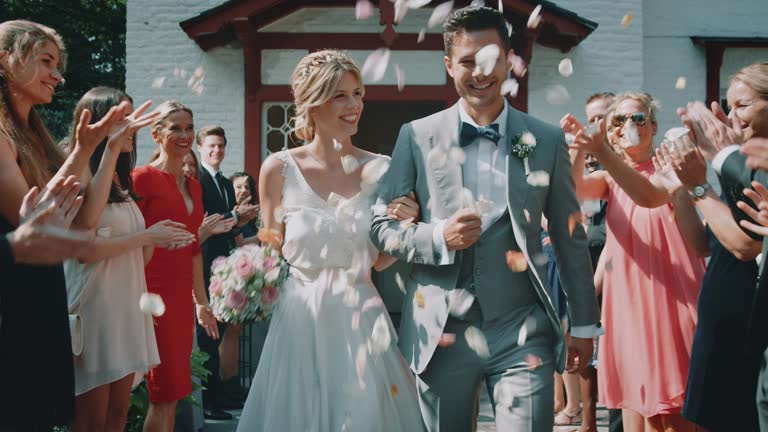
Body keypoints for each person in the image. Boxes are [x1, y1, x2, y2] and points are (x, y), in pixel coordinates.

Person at [370, 6, 601, 432]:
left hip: (521, 330)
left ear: (509, 59)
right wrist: (438, 235)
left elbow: (570, 237)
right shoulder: (415, 136)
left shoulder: (544, 139)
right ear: (448, 65)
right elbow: (381, 228)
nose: (481, 72)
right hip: (440, 332)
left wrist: (584, 324)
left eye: (491, 58)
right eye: (467, 61)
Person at [236, 49, 425, 431]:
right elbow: (270, 250)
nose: (354, 105)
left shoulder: (382, 169)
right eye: (341, 95)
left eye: (358, 94)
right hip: (300, 318)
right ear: (313, 102)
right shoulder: (278, 169)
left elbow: (380, 259)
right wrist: (243, 279)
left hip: (362, 313)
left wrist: (407, 227)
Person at [0, 20, 128, 429]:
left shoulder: (36, 136)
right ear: (5, 60)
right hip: (12, 299)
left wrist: (101, 150)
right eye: (45, 61)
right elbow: (34, 218)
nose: (58, 75)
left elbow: (82, 222)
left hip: (41, 291)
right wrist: (85, 150)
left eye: (58, 64)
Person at [569, 91, 705, 432]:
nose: (628, 125)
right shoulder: (608, 180)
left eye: (638, 118)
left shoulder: (668, 166)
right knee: (636, 411)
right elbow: (573, 189)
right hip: (629, 305)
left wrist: (602, 152)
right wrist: (580, 146)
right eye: (619, 120)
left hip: (673, 301)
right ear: (610, 132)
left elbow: (646, 196)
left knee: (675, 415)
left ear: (654, 126)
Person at [62, 87, 195, 432]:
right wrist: (147, 236)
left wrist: (160, 237)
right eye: (126, 118)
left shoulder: (123, 179)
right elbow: (84, 245)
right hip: (95, 307)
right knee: (91, 422)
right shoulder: (79, 171)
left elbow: (138, 253)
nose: (134, 126)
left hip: (126, 306)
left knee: (117, 417)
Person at [677, 61, 768, 431]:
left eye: (743, 105)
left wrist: (701, 188)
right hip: (719, 304)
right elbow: (702, 245)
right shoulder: (736, 162)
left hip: (747, 313)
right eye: (729, 107)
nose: (732, 116)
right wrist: (683, 183)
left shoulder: (754, 168)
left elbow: (745, 245)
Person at [132, 101, 219, 432]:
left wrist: (201, 302)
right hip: (152, 297)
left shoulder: (195, 186)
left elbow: (194, 248)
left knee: (175, 394)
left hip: (183, 300)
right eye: (175, 128)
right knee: (162, 394)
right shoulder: (140, 178)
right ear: (157, 134)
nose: (185, 135)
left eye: (189, 127)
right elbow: (129, 239)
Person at [562, 91, 618, 432]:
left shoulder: (622, 162)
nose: (595, 123)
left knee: (610, 345)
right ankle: (588, 419)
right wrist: (579, 146)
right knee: (585, 339)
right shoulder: (592, 162)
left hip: (614, 263)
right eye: (591, 117)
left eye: (602, 117)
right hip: (587, 255)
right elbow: (569, 188)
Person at [195, 125, 246, 418]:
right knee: (207, 337)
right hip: (203, 264)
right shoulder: (197, 180)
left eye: (222, 146)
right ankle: (208, 403)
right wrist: (234, 218)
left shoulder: (226, 184)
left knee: (221, 332)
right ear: (201, 148)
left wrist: (239, 220)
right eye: (212, 146)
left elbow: (227, 226)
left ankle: (218, 396)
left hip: (224, 268)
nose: (217, 151)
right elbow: (207, 223)